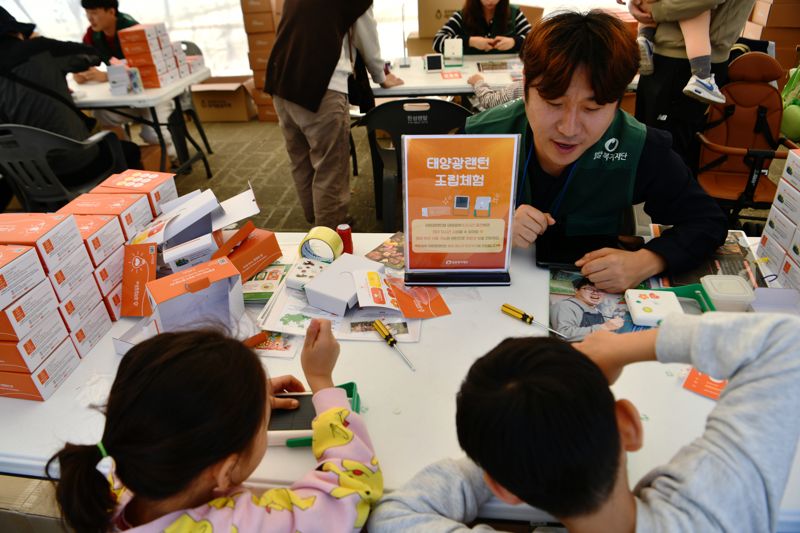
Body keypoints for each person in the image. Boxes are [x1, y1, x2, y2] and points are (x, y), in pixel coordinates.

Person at [368, 312, 800, 532]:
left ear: (503, 487)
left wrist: (509, 451)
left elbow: (393, 516)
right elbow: (787, 343)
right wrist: (620, 349)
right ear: (628, 425)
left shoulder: (501, 483)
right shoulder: (718, 507)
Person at [464, 11, 727, 293]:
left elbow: (707, 221)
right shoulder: (480, 137)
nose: (569, 128)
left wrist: (646, 261)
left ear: (618, 102)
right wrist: (491, 229)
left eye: (592, 109)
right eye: (554, 103)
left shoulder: (638, 146)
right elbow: (426, 222)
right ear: (526, 84)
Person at [47, 319, 382, 532]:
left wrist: (239, 400)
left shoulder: (114, 480)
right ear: (224, 471)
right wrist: (322, 382)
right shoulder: (245, 525)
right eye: (260, 425)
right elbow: (348, 491)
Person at [266, 1, 403, 229]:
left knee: (301, 159)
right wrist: (381, 75)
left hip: (281, 80)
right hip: (321, 85)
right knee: (330, 167)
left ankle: (317, 220)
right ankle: (329, 233)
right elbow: (365, 34)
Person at [0, 8, 141, 211]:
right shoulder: (38, 49)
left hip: (26, 179)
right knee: (127, 149)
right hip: (77, 164)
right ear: (15, 31)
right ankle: (137, 212)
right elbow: (93, 54)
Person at [631, 0, 755, 170]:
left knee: (666, 150)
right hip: (669, 56)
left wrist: (650, 9)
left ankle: (664, 192)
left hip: (684, 60)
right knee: (652, 142)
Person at [74, 0, 176, 160]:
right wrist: (80, 72)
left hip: (153, 93)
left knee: (152, 135)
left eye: (94, 13)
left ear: (111, 12)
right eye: (87, 13)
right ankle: (129, 160)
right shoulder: (92, 34)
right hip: (126, 95)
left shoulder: (132, 28)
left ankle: (170, 159)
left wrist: (108, 76)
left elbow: (148, 69)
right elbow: (82, 58)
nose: (89, 18)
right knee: (103, 113)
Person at [625, 0, 725, 104]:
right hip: (676, 58)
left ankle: (644, 38)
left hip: (657, 52)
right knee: (695, 21)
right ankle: (702, 76)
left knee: (647, 6)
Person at [433, 0, 531, 55]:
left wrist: (514, 42)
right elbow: (438, 42)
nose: (490, 1)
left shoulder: (514, 14)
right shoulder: (462, 16)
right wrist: (471, 41)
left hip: (504, 78)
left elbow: (535, 42)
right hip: (470, 77)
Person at [550, 277, 623, 341]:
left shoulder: (596, 310)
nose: (596, 293)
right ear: (576, 290)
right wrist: (605, 327)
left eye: (600, 290)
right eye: (590, 289)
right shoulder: (565, 306)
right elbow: (563, 334)